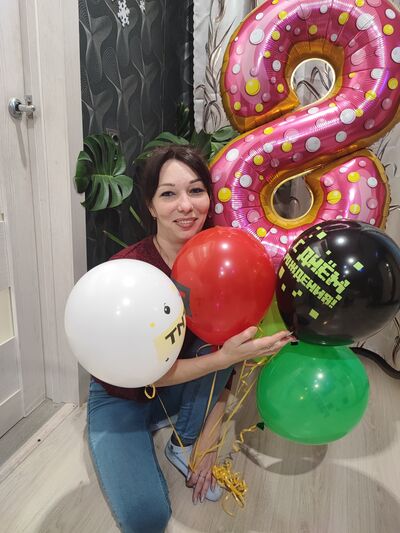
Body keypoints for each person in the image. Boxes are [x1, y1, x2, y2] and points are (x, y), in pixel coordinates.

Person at [87, 145, 294, 533]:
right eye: (168, 194)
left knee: (216, 342)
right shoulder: (129, 271)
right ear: (150, 207)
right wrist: (224, 358)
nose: (186, 206)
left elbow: (225, 351)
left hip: (181, 385)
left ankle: (178, 442)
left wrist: (205, 438)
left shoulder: (225, 258)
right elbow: (146, 373)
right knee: (147, 519)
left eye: (196, 190)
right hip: (124, 394)